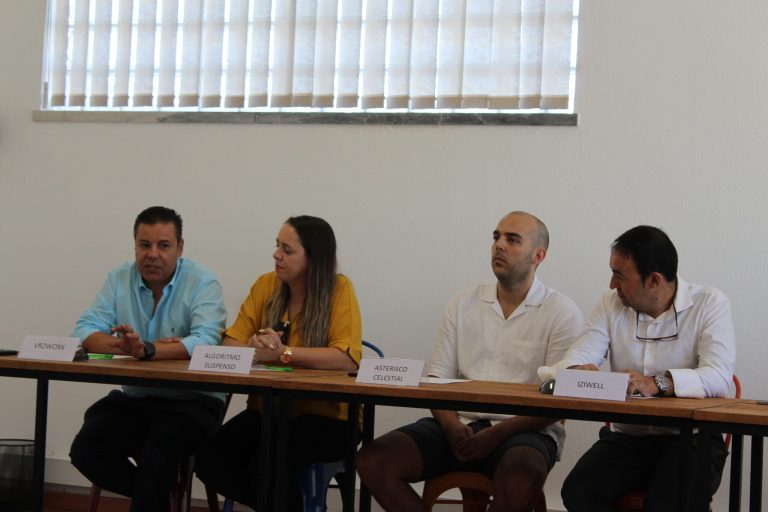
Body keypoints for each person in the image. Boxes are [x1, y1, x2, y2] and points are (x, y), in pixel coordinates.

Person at [356, 211, 584, 512]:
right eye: (496, 237)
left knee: (520, 477)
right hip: (459, 425)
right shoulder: (462, 302)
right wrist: (451, 425)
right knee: (373, 460)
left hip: (523, 431)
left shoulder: (562, 312)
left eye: (512, 240)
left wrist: (496, 434)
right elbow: (436, 379)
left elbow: (557, 400)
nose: (499, 245)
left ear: (538, 256)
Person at [555, 225, 735, 511]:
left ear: (653, 280)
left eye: (619, 275)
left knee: (668, 502)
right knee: (579, 491)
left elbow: (719, 377)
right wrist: (578, 368)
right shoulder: (610, 304)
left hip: (693, 440)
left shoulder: (709, 303)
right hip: (629, 438)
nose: (611, 284)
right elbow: (580, 353)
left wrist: (657, 382)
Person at [195, 215, 362, 510]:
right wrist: (253, 347)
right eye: (277, 246)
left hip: (329, 419)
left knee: (267, 460)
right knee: (211, 459)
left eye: (287, 250)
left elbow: (346, 358)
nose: (276, 255)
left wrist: (284, 354)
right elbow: (230, 342)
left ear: (313, 258)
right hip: (269, 411)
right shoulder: (265, 285)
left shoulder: (339, 289)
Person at [69, 206, 227, 512]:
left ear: (180, 247)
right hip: (138, 400)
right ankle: (158, 501)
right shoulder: (119, 278)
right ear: (135, 246)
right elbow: (85, 330)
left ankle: (153, 496)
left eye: (163, 245)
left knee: (158, 452)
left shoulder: (202, 282)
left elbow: (208, 340)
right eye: (144, 245)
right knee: (86, 449)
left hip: (192, 403)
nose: (152, 254)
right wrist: (125, 346)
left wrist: (147, 350)